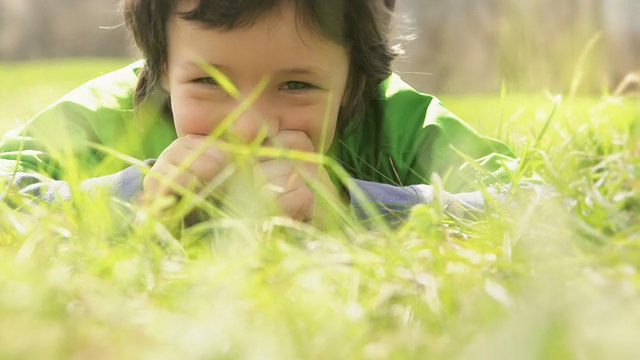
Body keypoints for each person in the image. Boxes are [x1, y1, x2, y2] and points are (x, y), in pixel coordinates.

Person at [0, 0, 521, 227]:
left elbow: (536, 204)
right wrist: (131, 198)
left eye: (297, 85)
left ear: (357, 82)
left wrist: (356, 206)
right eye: (208, 82)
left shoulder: (397, 121)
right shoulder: (116, 114)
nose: (248, 127)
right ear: (160, 70)